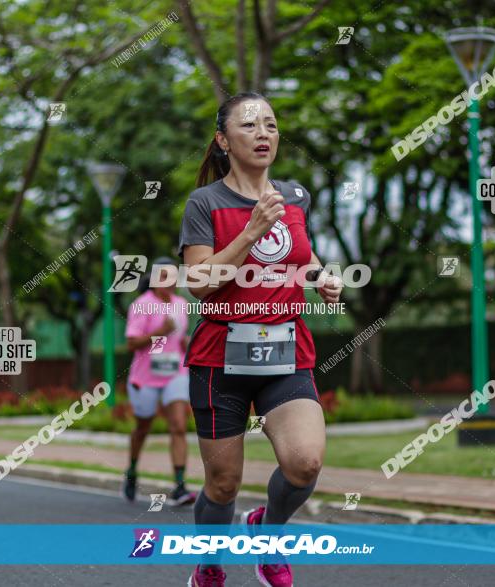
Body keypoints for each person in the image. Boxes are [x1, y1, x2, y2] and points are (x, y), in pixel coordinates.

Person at [179, 93, 343, 587]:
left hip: (286, 351)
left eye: (270, 124)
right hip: (219, 360)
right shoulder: (205, 203)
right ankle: (209, 566)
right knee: (222, 484)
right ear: (223, 140)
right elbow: (201, 281)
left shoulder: (294, 197)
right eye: (249, 126)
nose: (263, 133)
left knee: (304, 463)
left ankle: (266, 535)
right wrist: (250, 231)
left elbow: (299, 257)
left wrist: (321, 277)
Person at [123, 257, 197, 506]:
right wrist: (160, 333)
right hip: (145, 377)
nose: (171, 282)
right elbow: (132, 343)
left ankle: (179, 486)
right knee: (143, 428)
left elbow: (178, 338)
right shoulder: (141, 305)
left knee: (177, 425)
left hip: (175, 373)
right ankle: (132, 471)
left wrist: (184, 343)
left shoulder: (181, 304)